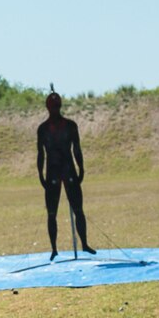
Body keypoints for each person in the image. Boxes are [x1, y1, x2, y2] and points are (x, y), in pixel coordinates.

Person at [37, 86, 95, 261]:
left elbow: (77, 149)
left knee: (78, 209)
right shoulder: (43, 129)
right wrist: (40, 173)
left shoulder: (70, 126)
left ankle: (84, 243)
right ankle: (54, 248)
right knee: (52, 213)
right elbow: (40, 153)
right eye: (52, 106)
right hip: (53, 171)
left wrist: (81, 167)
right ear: (48, 107)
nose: (54, 109)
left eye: (56, 106)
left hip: (68, 169)